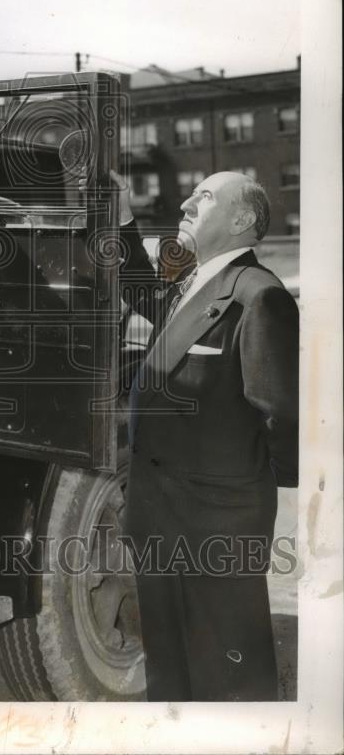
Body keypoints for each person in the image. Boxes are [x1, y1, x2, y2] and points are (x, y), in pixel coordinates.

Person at [111, 169, 298, 701]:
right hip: (158, 520)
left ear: (241, 220)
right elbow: (137, 287)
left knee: (231, 685)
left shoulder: (260, 297)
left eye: (206, 195)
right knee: (170, 679)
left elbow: (282, 414)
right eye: (191, 191)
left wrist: (243, 494)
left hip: (218, 526)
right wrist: (124, 214)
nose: (188, 200)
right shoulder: (193, 284)